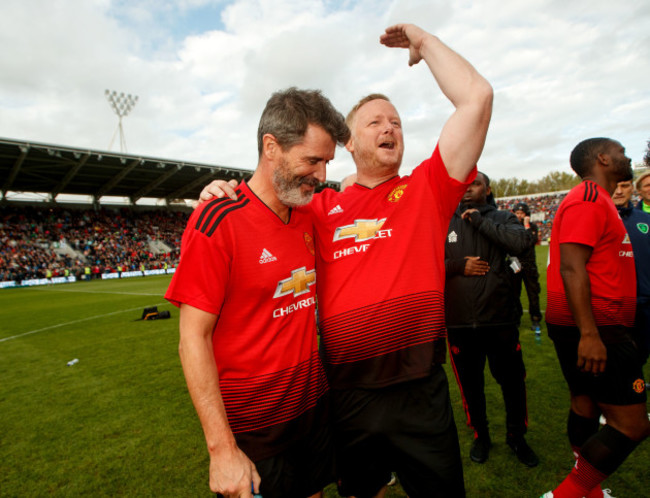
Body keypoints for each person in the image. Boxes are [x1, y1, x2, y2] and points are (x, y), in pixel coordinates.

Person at [203, 23, 493, 497]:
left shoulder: (428, 189)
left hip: (420, 389)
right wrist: (219, 191)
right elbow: (258, 200)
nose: (389, 128)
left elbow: (477, 96)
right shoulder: (314, 208)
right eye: (375, 121)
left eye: (396, 121)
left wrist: (426, 44)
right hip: (347, 395)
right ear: (349, 145)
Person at [165, 88, 350, 498]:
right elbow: (191, 339)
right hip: (255, 428)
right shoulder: (217, 220)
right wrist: (221, 449)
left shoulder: (307, 215)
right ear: (272, 147)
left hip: (313, 410)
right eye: (312, 160)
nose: (322, 175)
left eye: (327, 162)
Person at [542, 138, 649, 498]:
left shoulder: (599, 199)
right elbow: (572, 268)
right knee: (632, 426)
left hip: (592, 325)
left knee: (585, 405)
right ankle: (566, 495)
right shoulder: (587, 198)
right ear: (603, 158)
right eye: (620, 151)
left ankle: (589, 488)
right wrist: (590, 334)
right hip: (598, 328)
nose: (627, 157)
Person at [444, 172, 538, 467]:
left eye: (474, 183)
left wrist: (479, 221)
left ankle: (516, 436)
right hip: (460, 323)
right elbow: (422, 260)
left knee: (512, 383)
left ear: (487, 189)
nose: (468, 188)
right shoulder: (443, 221)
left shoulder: (503, 216)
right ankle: (481, 436)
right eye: (464, 183)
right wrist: (458, 265)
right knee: (471, 386)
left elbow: (521, 243)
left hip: (500, 320)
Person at [612, 177, 650, 364]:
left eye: (624, 186)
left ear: (632, 190)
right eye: (615, 186)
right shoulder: (597, 219)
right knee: (619, 359)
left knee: (642, 352)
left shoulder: (646, 219)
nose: (619, 191)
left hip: (645, 302)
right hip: (613, 305)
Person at [512, 201, 543, 330]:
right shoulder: (511, 226)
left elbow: (531, 241)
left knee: (533, 293)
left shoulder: (532, 227)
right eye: (517, 213)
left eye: (522, 213)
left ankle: (535, 319)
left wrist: (526, 225)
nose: (519, 215)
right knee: (514, 293)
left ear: (527, 214)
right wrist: (513, 262)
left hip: (529, 265)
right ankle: (516, 318)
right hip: (515, 263)